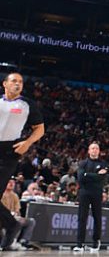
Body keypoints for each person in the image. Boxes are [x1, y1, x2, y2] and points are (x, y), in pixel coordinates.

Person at [0, 73, 44, 252]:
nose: (17, 84)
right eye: (14, 81)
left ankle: (11, 226)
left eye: (20, 82)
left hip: (10, 152)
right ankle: (11, 224)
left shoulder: (27, 104)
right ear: (5, 84)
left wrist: (27, 143)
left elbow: (40, 129)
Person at [73, 142, 109, 253]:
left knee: (97, 218)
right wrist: (96, 175)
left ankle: (95, 243)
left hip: (97, 193)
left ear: (99, 151)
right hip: (84, 192)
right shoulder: (83, 163)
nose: (94, 150)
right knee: (82, 218)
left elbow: (103, 179)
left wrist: (87, 175)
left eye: (96, 148)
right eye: (92, 148)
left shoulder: (103, 164)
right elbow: (80, 178)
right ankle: (80, 244)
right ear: (89, 151)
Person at [2, 179, 34, 251]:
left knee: (31, 221)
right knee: (17, 222)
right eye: (9, 182)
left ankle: (23, 242)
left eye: (13, 183)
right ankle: (12, 242)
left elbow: (17, 210)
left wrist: (16, 214)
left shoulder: (15, 195)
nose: (11, 184)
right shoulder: (2, 194)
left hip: (13, 216)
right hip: (3, 217)